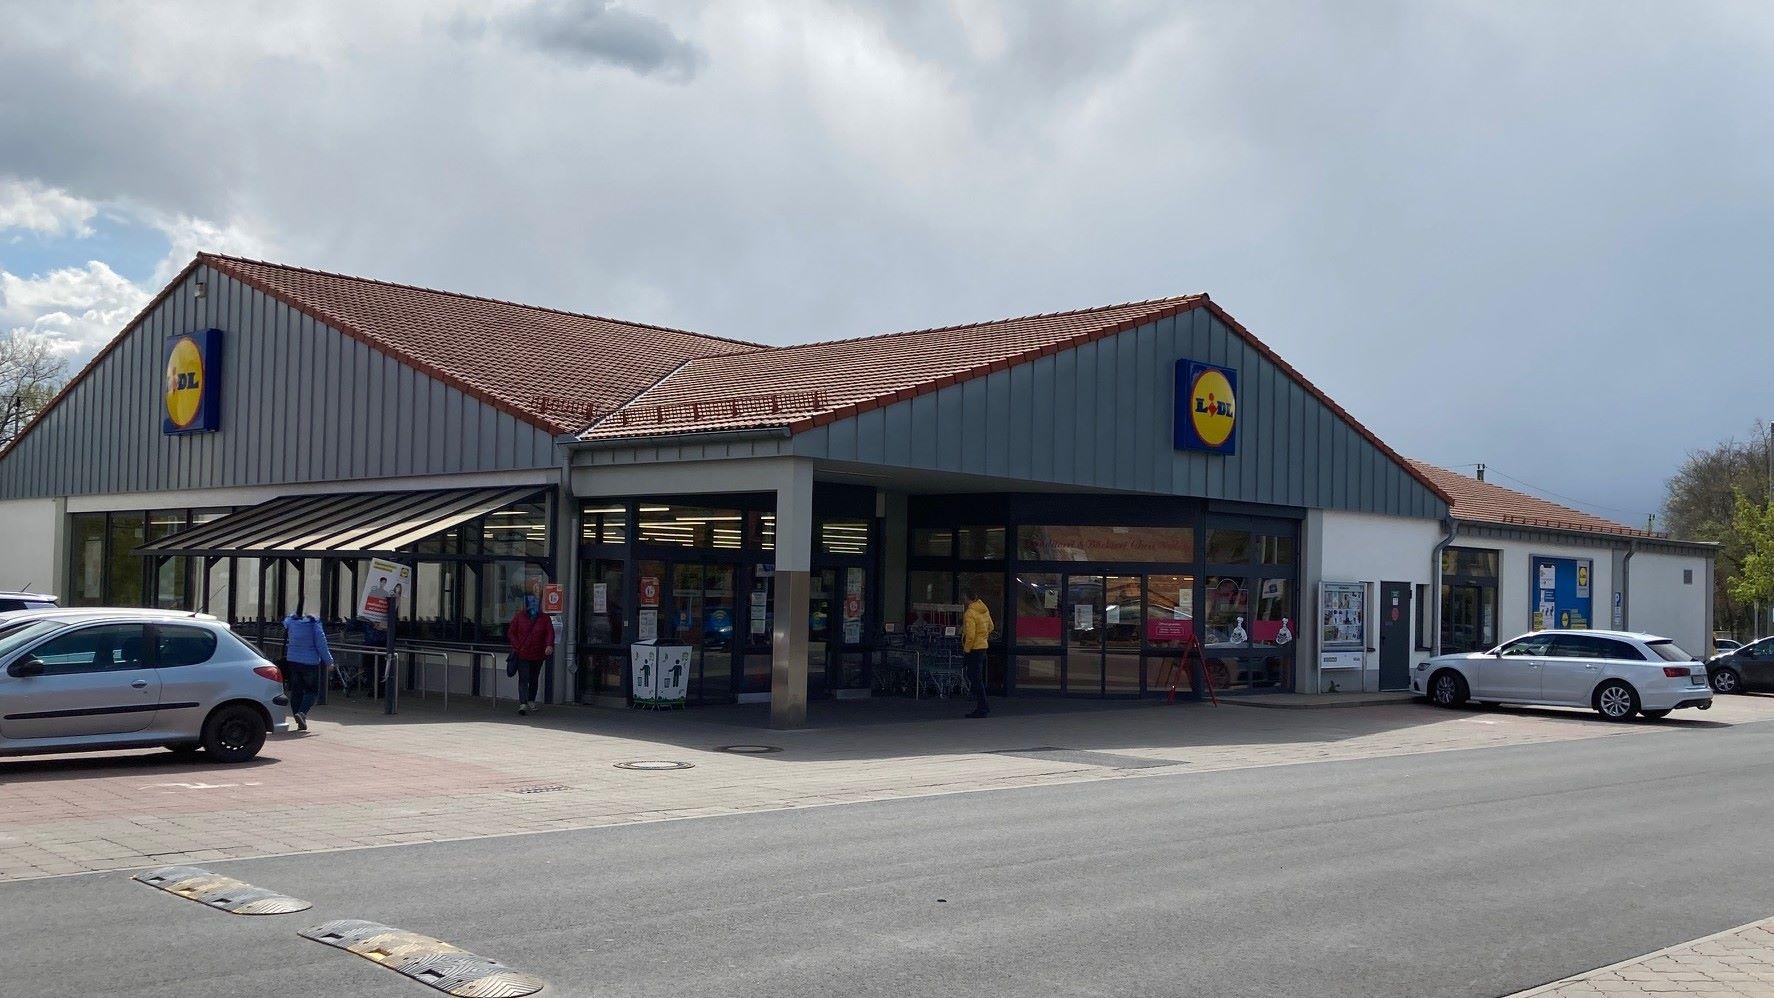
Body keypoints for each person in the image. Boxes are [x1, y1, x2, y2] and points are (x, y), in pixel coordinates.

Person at [280, 611, 333, 731]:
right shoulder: (314, 624)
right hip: (310, 663)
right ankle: (302, 713)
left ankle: (298, 718)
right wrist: (329, 661)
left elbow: (285, 624)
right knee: (312, 691)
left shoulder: (291, 622)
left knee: (296, 691)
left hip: (293, 661)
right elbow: (321, 644)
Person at [507, 591, 555, 716]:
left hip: (538, 653)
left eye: (535, 602)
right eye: (531, 602)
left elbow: (549, 632)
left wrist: (549, 645)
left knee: (534, 678)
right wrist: (517, 646)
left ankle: (531, 700)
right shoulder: (519, 617)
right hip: (523, 653)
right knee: (524, 678)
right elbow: (511, 632)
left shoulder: (544, 618)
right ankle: (523, 703)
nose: (533, 605)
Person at [960, 589, 994, 718]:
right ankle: (981, 703)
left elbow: (970, 635)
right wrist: (983, 636)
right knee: (976, 676)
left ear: (967, 598)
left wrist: (966, 650)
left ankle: (982, 706)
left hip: (974, 648)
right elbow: (991, 627)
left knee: (974, 677)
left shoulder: (970, 613)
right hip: (983, 646)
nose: (963, 600)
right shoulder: (984, 610)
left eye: (964, 597)